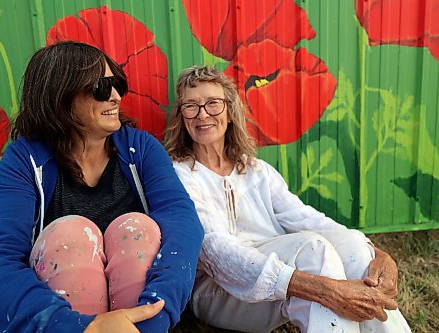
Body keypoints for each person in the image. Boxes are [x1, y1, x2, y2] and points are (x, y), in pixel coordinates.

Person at [0, 41, 203, 333]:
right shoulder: (25, 161)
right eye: (102, 88)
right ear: (60, 96)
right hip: (68, 317)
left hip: (139, 320)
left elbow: (183, 224)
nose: (117, 97)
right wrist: (80, 327)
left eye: (117, 84)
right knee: (70, 234)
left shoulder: (140, 148)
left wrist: (154, 314)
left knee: (137, 227)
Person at [165, 65, 411, 333]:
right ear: (182, 117)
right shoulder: (179, 175)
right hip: (218, 292)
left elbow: (304, 217)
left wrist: (376, 252)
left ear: (230, 112)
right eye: (191, 106)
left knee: (352, 243)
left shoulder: (256, 170)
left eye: (213, 103)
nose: (203, 115)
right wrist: (324, 288)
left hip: (276, 285)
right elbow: (215, 250)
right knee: (313, 250)